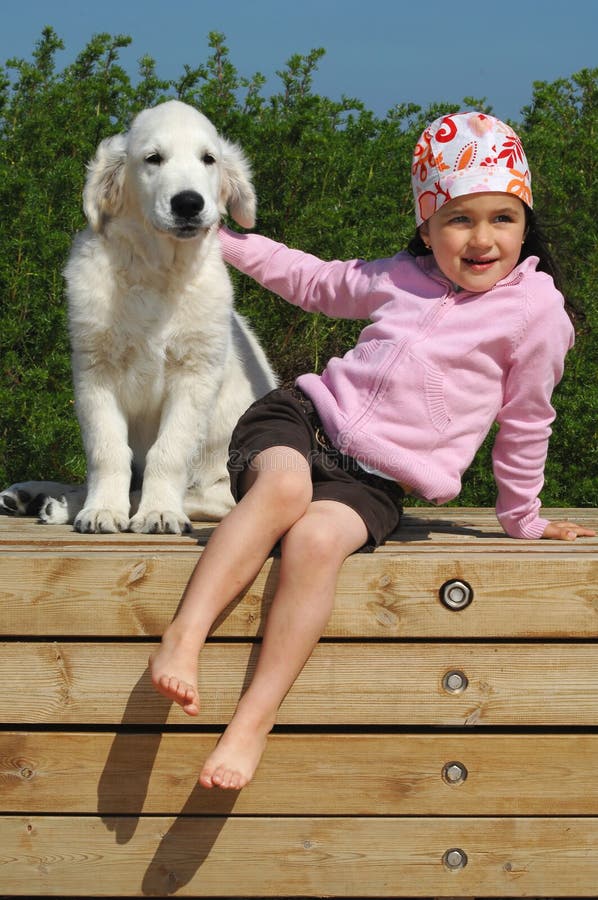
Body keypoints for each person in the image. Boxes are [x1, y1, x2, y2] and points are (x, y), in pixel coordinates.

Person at [149, 111, 594, 790]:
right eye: (459, 219)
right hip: (301, 422)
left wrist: (523, 518)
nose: (482, 239)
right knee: (286, 491)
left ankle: (252, 721)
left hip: (375, 484)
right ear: (427, 227)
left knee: (318, 541)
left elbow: (527, 420)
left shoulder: (537, 314)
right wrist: (226, 241)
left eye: (502, 218)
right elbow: (314, 281)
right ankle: (186, 633)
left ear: (524, 221)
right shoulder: (402, 276)